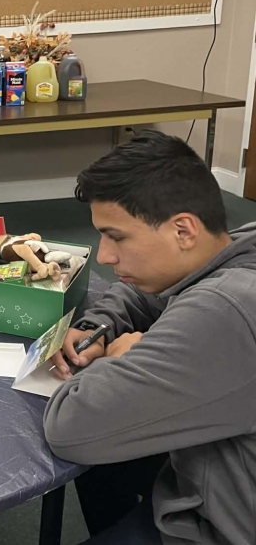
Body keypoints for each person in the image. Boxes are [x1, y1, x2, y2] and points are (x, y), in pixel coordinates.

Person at [43, 130, 256, 544]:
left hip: (222, 527)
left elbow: (71, 428)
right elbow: (149, 291)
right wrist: (98, 326)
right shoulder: (236, 244)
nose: (104, 255)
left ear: (183, 231)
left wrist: (116, 361)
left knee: (99, 437)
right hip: (215, 465)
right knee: (109, 456)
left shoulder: (223, 311)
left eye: (117, 236)